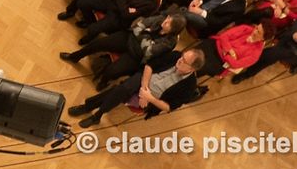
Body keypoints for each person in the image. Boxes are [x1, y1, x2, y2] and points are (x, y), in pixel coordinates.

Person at [67, 49, 205, 127]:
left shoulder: (189, 85)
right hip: (143, 81)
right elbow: (149, 66)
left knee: (120, 90)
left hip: (151, 100)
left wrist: (149, 98)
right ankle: (97, 115)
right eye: (182, 57)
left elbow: (169, 107)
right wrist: (144, 88)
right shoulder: (175, 56)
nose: (179, 60)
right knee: (124, 89)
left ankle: (88, 107)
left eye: (184, 61)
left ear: (191, 68)